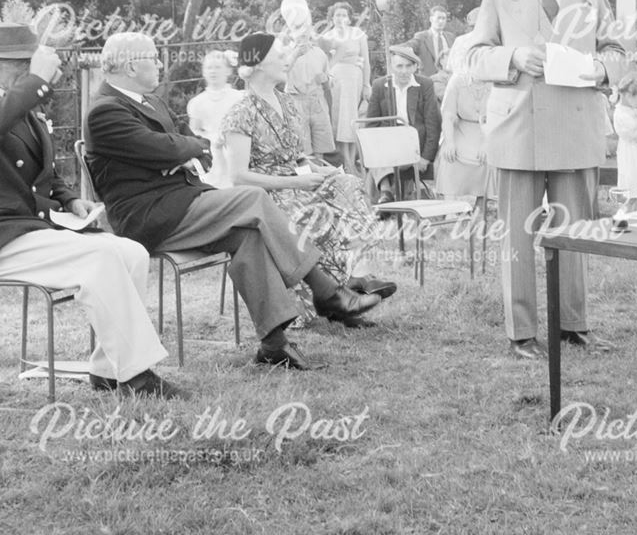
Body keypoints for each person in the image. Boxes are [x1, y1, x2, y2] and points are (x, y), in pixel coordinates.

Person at [84, 33, 381, 372]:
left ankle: (274, 343)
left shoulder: (148, 103)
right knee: (253, 198)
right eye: (154, 57)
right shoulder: (104, 111)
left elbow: (177, 144)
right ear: (132, 64)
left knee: (249, 236)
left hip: (181, 202)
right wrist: (181, 150)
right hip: (151, 217)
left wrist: (180, 149)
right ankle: (326, 290)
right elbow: (172, 147)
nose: (160, 64)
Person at [468, 0, 622, 360]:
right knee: (516, 236)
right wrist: (513, 56)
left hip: (575, 129)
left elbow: (617, 50)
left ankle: (573, 324)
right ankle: (521, 333)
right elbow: (475, 57)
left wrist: (600, 68)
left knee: (573, 231)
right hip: (518, 130)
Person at [0, 24, 183, 398]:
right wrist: (34, 80)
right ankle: (137, 376)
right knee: (99, 258)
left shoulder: (18, 106)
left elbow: (40, 173)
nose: (27, 71)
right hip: (6, 235)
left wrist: (68, 198)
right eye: (20, 64)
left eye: (28, 64)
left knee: (130, 251)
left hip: (27, 228)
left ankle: (108, 370)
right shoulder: (14, 103)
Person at [221, 32, 393, 314]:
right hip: (265, 196)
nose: (286, 60)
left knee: (347, 185)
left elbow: (295, 155)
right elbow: (238, 177)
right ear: (260, 64)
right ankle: (336, 293)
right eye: (278, 55)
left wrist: (314, 169)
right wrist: (297, 180)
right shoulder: (240, 113)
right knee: (313, 212)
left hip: (295, 181)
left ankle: (347, 281)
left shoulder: (287, 103)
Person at [365, 44, 441, 202]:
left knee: (388, 158)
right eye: (399, 66)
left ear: (415, 67)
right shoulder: (380, 85)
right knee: (376, 150)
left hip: (413, 142)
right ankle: (386, 193)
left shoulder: (424, 85)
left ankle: (386, 194)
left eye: (408, 66)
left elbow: (433, 124)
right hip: (386, 141)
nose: (404, 71)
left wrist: (426, 158)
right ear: (392, 67)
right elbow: (371, 125)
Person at [434, 33, 495, 204]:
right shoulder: (457, 81)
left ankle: (482, 207)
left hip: (488, 131)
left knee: (488, 157)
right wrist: (450, 141)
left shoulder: (495, 82)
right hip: (461, 128)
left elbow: (496, 118)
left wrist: (486, 143)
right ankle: (450, 208)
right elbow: (448, 115)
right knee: (450, 156)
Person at [317, 3, 370, 174]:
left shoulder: (358, 34)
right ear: (331, 18)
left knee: (352, 118)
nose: (341, 19)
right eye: (337, 15)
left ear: (349, 18)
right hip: (336, 79)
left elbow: (366, 61)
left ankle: (352, 160)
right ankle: (346, 161)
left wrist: (366, 84)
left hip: (354, 77)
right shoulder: (328, 36)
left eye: (344, 15)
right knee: (339, 119)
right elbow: (324, 62)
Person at [284, 10, 337, 161]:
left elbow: (330, 81)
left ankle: (321, 177)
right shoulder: (287, 52)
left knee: (321, 145)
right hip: (296, 101)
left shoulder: (319, 53)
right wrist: (295, 54)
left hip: (317, 100)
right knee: (302, 147)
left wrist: (325, 79)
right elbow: (282, 71)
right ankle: (306, 179)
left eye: (305, 29)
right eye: (297, 29)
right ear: (291, 32)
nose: (302, 33)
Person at [186, 50, 244, 188]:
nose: (213, 71)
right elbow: (194, 130)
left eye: (218, 67)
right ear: (203, 72)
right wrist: (212, 138)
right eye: (209, 68)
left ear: (228, 71)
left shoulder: (239, 98)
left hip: (237, 148)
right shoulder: (197, 102)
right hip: (213, 151)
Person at [611, 73, 637, 201]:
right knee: (633, 190)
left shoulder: (632, 111)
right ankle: (630, 216)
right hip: (632, 157)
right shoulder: (622, 114)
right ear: (629, 96)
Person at [410, 6, 456, 78]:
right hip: (427, 82)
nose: (441, 21)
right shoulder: (421, 37)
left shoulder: (451, 37)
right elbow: (410, 46)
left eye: (443, 18)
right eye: (438, 18)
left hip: (448, 80)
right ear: (431, 19)